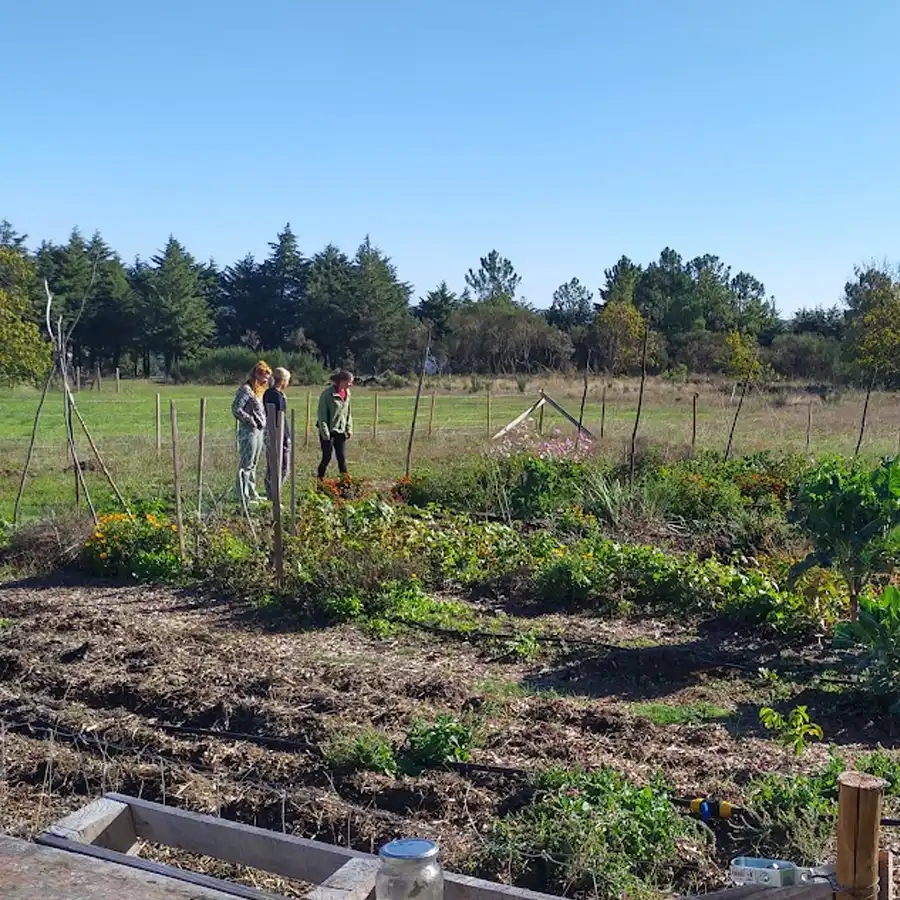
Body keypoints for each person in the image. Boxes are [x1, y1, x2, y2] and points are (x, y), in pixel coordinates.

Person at [231, 360, 272, 504]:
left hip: (260, 430)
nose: (266, 380)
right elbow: (236, 409)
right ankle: (243, 494)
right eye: (264, 377)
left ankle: (252, 492)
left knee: (254, 463)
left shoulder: (260, 390)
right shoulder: (246, 390)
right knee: (246, 463)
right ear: (256, 374)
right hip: (249, 431)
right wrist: (250, 421)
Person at [316, 370, 353, 480]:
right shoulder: (327, 394)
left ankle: (346, 483)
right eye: (349, 382)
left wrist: (349, 428)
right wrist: (325, 434)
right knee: (326, 457)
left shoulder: (348, 393)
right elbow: (322, 415)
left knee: (341, 458)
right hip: (328, 431)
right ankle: (320, 481)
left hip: (341, 431)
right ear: (341, 381)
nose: (350, 385)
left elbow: (348, 412)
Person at [263, 367, 291, 500]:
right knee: (283, 466)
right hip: (279, 433)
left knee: (271, 464)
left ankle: (271, 490)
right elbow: (280, 416)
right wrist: (286, 436)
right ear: (283, 381)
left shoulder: (268, 393)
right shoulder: (277, 395)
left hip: (270, 432)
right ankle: (274, 493)